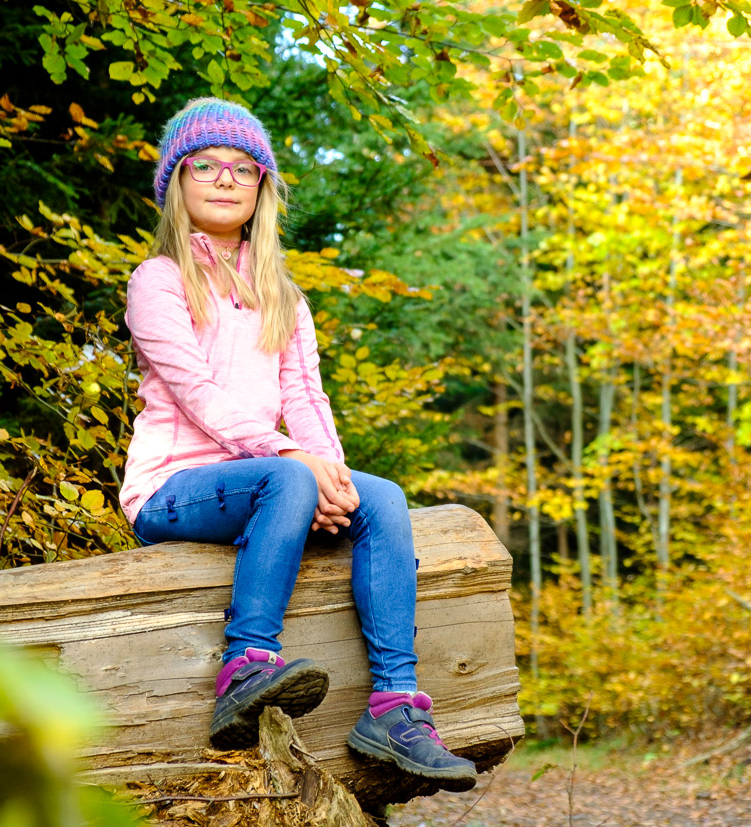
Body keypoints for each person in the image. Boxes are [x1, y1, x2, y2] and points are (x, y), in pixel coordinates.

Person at [118, 97, 477, 792]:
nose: (226, 178)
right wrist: (295, 464)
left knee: (383, 498)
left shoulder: (280, 292)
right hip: (172, 488)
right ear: (176, 183)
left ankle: (395, 708)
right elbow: (198, 394)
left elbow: (306, 399)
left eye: (243, 167)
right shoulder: (157, 281)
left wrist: (331, 476)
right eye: (206, 165)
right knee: (288, 480)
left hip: (269, 476)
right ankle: (246, 665)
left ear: (261, 188)